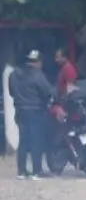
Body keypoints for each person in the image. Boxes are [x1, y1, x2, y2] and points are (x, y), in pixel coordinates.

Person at [8, 50, 54, 180]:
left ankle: (21, 171)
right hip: (35, 110)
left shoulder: (13, 75)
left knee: (23, 141)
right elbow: (47, 91)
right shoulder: (37, 74)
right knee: (36, 141)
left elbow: (11, 92)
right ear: (38, 62)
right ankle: (36, 171)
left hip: (20, 111)